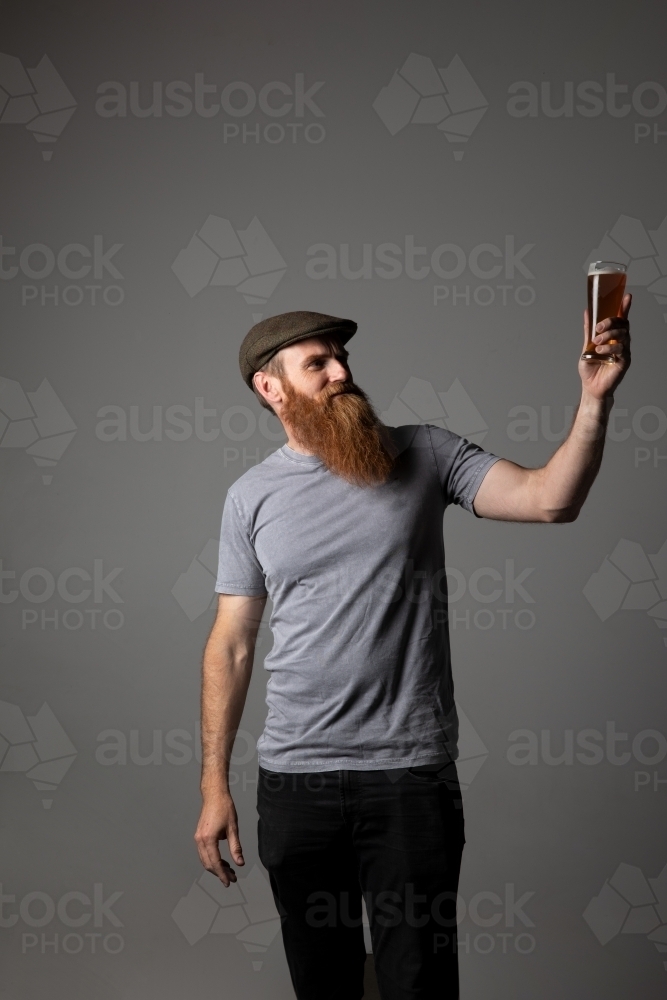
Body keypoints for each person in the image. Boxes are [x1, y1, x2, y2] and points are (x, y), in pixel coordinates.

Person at [195, 304, 631, 1000]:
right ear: (269, 388)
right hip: (295, 783)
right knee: (324, 983)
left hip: (407, 779)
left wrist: (592, 399)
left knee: (417, 984)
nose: (342, 372)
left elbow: (551, 500)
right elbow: (232, 645)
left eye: (341, 357)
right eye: (318, 364)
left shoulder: (423, 453)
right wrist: (213, 786)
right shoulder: (249, 497)